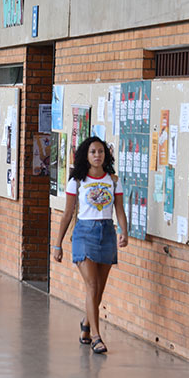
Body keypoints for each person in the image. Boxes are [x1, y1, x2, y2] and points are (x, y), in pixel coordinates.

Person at [52, 137, 128, 355]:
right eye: (93, 152)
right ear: (86, 155)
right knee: (92, 286)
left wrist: (124, 231)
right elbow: (67, 214)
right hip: (84, 233)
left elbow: (119, 210)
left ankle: (86, 324)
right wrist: (57, 244)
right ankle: (96, 337)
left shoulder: (113, 180)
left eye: (101, 151)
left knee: (99, 290)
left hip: (107, 233)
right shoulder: (77, 181)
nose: (97, 155)